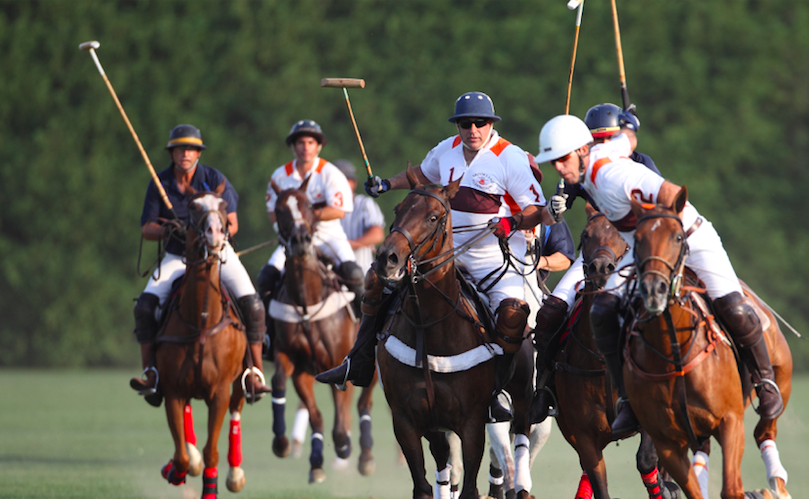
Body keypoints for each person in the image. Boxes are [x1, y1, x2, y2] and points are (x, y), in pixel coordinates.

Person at [526, 114, 784, 438]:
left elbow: (673, 195)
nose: (560, 168)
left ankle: (765, 382)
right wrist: (551, 209)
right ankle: (629, 401)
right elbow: (627, 140)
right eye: (553, 163)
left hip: (690, 237)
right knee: (602, 310)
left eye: (563, 159)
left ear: (582, 150)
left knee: (732, 305)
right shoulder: (592, 166)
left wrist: (657, 248)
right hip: (640, 248)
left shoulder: (611, 175)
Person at [316, 92, 546, 423]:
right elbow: (421, 177)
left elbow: (537, 209)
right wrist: (386, 183)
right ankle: (358, 360)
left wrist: (512, 222)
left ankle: (496, 390)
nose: (472, 130)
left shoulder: (508, 156)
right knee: (378, 282)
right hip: (446, 250)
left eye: (480, 123)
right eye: (465, 124)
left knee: (511, 315)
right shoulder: (446, 149)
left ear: (490, 124)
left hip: (493, 253)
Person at [526, 104, 662, 423]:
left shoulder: (641, 163)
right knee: (550, 312)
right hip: (597, 251)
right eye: (594, 140)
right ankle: (544, 387)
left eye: (607, 138)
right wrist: (555, 206)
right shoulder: (579, 170)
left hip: (635, 252)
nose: (600, 146)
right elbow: (553, 211)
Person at [130, 124, 270, 405]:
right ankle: (151, 373)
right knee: (145, 306)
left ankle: (254, 374)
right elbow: (147, 228)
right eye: (180, 148)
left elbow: (232, 222)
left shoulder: (215, 179)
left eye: (191, 148)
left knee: (253, 306)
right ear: (172, 153)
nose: (185, 153)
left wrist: (209, 231)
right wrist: (169, 230)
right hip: (177, 257)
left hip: (216, 254)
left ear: (198, 153)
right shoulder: (160, 183)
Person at [256, 121, 364, 323]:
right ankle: (265, 333)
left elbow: (339, 211)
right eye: (300, 143)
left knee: (356, 276)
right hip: (291, 240)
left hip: (328, 237)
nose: (305, 147)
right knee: (265, 278)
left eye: (310, 142)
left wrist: (307, 216)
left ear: (318, 146)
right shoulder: (280, 176)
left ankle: (367, 331)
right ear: (293, 146)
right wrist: (287, 232)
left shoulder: (329, 173)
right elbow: (273, 213)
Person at [334, 159, 386, 275]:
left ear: (353, 183)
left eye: (343, 180)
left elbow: (377, 234)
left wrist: (347, 245)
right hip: (330, 274)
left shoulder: (363, 203)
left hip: (361, 271)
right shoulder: (324, 207)